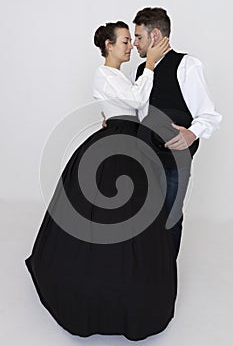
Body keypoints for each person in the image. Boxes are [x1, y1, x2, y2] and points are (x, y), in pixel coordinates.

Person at [25, 21, 178, 341]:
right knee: (104, 215)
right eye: (124, 41)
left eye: (129, 41)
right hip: (115, 148)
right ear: (108, 46)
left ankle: (133, 287)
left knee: (139, 216)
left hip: (129, 143)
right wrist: (150, 65)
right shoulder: (103, 74)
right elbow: (136, 101)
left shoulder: (118, 77)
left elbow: (135, 107)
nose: (128, 46)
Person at [102, 8, 222, 258]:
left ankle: (165, 277)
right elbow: (141, 114)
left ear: (155, 35)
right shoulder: (141, 71)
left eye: (138, 37)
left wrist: (191, 134)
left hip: (174, 162)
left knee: (170, 217)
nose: (134, 44)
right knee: (141, 217)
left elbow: (208, 115)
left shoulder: (187, 64)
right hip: (143, 157)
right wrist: (114, 120)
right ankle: (146, 273)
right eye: (132, 38)